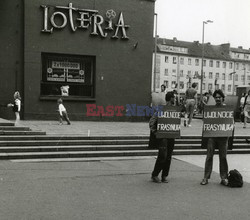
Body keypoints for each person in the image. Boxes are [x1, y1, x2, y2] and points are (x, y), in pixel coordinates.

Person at [200, 89, 230, 186]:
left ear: (223, 98)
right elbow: (207, 121)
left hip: (223, 136)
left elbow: (230, 123)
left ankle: (224, 177)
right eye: (216, 97)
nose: (217, 99)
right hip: (212, 136)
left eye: (219, 97)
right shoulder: (211, 109)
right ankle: (206, 177)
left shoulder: (227, 109)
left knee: (223, 157)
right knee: (209, 156)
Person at [150, 91, 176, 183]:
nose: (175, 99)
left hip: (171, 136)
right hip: (163, 137)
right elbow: (152, 122)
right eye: (174, 97)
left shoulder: (174, 110)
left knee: (168, 157)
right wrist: (156, 132)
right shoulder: (161, 109)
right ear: (171, 98)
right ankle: (155, 174)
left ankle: (164, 175)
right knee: (163, 156)